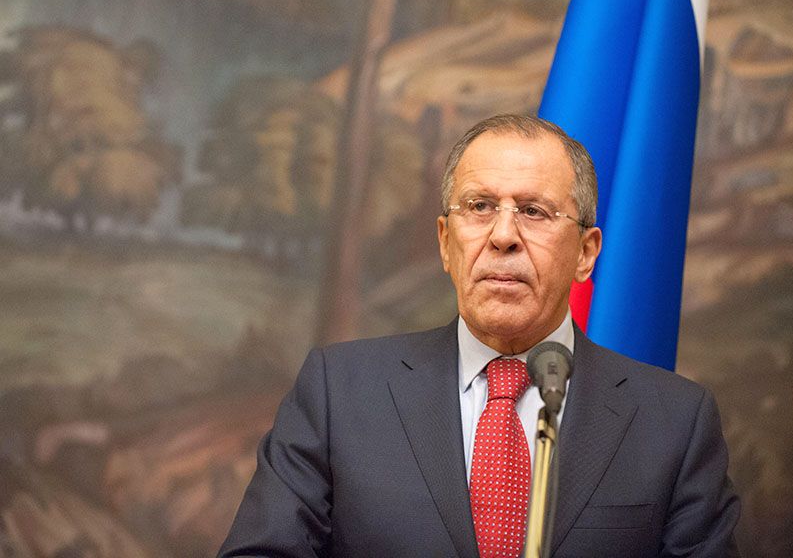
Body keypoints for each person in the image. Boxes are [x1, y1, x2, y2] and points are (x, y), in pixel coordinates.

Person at [218, 114, 740, 557]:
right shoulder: (338, 392)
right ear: (446, 242)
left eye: (533, 211)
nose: (503, 236)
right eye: (479, 207)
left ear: (585, 253)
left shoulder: (676, 422)